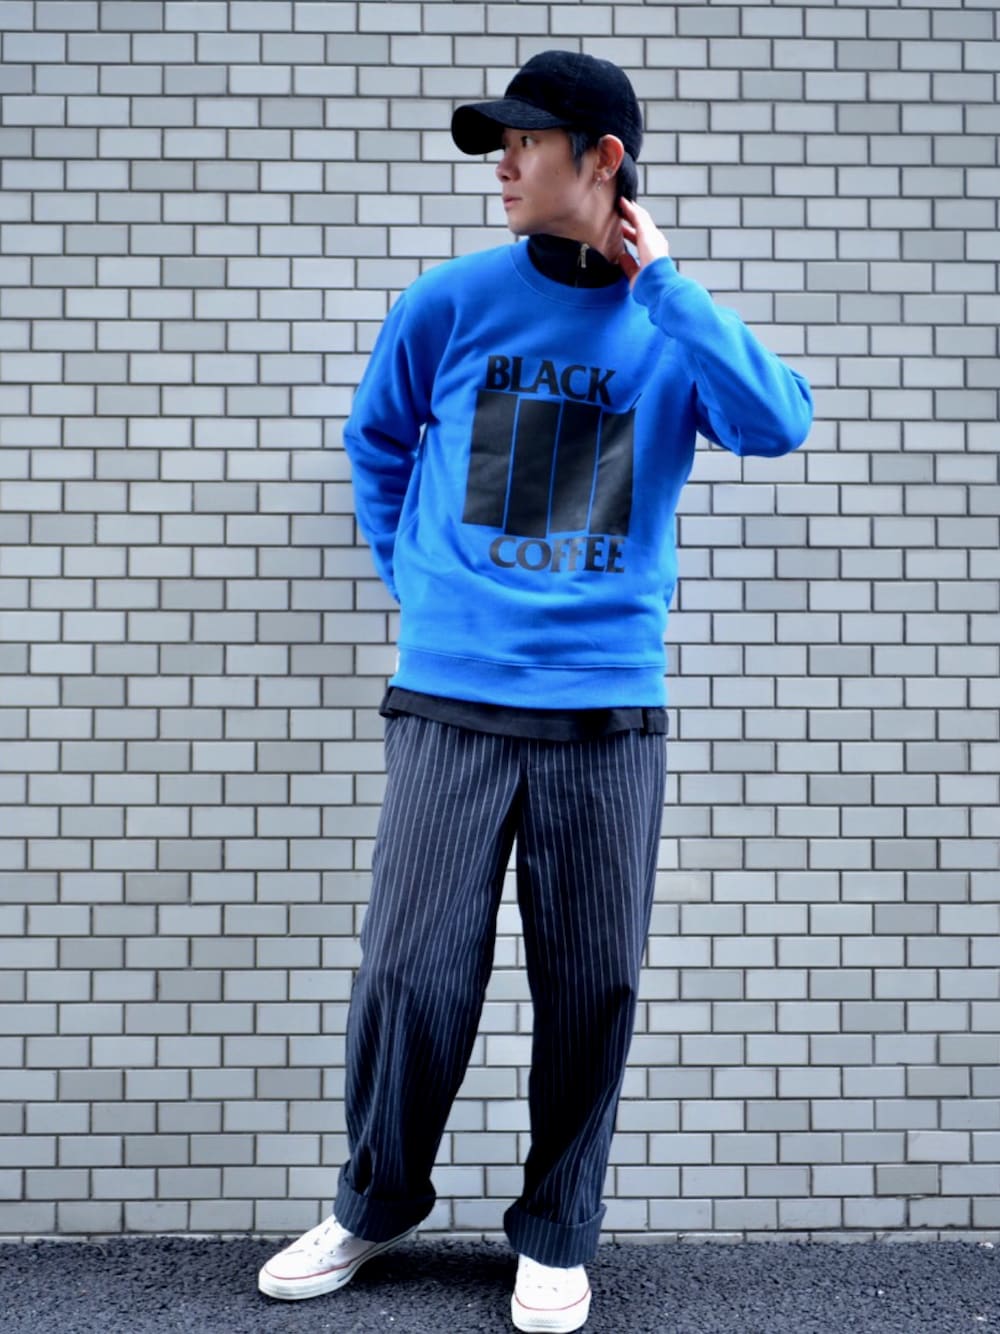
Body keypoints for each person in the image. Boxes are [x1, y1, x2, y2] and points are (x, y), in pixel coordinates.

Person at [258, 50, 813, 1332]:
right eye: (497, 146)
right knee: (411, 973)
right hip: (451, 698)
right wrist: (416, 578)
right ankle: (373, 1200)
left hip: (605, 708)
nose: (502, 167)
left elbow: (777, 422)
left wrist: (665, 286)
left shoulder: (669, 323)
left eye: (524, 143)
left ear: (601, 159)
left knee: (589, 982)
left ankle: (558, 1229)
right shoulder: (449, 301)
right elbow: (377, 438)